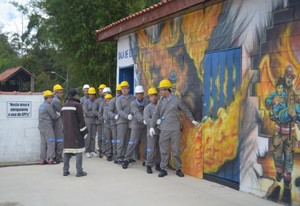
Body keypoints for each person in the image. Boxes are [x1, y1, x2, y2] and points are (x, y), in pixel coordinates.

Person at [150, 79, 199, 177]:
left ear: (166, 90)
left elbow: (185, 110)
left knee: (176, 150)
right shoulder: (160, 102)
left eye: (161, 90)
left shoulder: (176, 100)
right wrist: (151, 126)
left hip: (175, 130)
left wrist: (192, 120)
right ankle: (163, 169)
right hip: (164, 129)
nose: (160, 92)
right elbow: (156, 114)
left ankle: (178, 168)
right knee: (164, 150)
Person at [273, 66, 299, 189]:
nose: (289, 79)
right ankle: (279, 173)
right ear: (285, 77)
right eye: (288, 77)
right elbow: (271, 112)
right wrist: (274, 106)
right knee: (278, 156)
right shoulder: (278, 92)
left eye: (291, 77)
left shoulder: (295, 95)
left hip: (290, 133)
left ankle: (287, 178)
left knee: (289, 157)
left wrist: (295, 115)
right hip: (278, 132)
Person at [61, 88, 88, 177]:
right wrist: (85, 132)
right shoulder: (77, 105)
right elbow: (81, 120)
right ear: (75, 95)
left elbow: (62, 119)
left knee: (67, 151)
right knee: (79, 151)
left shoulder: (64, 105)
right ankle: (79, 171)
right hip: (76, 132)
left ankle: (65, 170)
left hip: (66, 132)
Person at [122, 86, 149, 169]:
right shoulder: (133, 103)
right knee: (132, 142)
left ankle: (146, 159)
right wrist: (143, 119)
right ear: (136, 95)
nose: (139, 95)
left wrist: (146, 121)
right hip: (136, 124)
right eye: (137, 94)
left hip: (144, 125)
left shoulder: (147, 102)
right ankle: (127, 159)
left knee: (146, 143)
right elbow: (136, 113)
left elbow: (148, 111)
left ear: (143, 94)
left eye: (141, 94)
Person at [115, 81, 135, 164]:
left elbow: (135, 108)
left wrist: (132, 115)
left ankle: (127, 157)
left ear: (128, 89)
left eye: (125, 88)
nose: (123, 90)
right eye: (122, 89)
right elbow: (119, 111)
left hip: (130, 122)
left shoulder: (133, 98)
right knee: (121, 140)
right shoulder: (119, 99)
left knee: (128, 140)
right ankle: (119, 157)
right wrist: (127, 116)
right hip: (122, 122)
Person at [38, 90, 60, 164]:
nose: (51, 99)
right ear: (47, 98)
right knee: (51, 142)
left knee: (43, 143)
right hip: (47, 127)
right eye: (50, 98)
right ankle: (50, 159)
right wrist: (59, 115)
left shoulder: (41, 105)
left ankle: (42, 159)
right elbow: (53, 116)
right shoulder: (48, 106)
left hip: (41, 126)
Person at [143, 87, 161, 174]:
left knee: (159, 149)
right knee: (150, 148)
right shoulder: (147, 108)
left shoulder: (160, 106)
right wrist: (154, 123)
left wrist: (161, 120)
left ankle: (158, 164)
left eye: (155, 95)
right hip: (151, 131)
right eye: (151, 96)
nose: (153, 97)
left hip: (160, 131)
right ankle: (149, 165)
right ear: (149, 97)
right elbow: (146, 119)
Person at [96, 87, 112, 158]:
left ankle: (111, 153)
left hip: (113, 124)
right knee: (105, 139)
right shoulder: (102, 104)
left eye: (108, 93)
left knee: (112, 139)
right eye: (105, 93)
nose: (106, 94)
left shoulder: (113, 102)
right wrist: (103, 119)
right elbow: (99, 114)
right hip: (105, 124)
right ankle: (104, 152)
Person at [108, 84, 122, 162]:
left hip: (121, 122)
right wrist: (114, 116)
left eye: (119, 92)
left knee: (121, 139)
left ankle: (121, 155)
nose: (118, 93)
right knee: (115, 139)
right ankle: (115, 155)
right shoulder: (113, 101)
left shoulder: (123, 100)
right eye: (117, 92)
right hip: (114, 122)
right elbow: (109, 111)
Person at [83, 87, 98, 158]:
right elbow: (85, 111)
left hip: (94, 120)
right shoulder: (86, 101)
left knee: (93, 135)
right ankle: (87, 150)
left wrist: (92, 113)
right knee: (88, 136)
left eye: (93, 94)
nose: (91, 96)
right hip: (87, 120)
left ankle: (92, 150)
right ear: (88, 94)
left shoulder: (96, 101)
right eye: (90, 94)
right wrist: (93, 113)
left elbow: (97, 111)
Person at [92, 83, 106, 157]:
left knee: (107, 137)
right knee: (101, 136)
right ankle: (100, 150)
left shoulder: (109, 99)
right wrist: (101, 116)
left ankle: (106, 150)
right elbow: (94, 111)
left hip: (108, 122)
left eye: (102, 91)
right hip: (100, 122)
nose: (101, 92)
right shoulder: (97, 101)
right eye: (100, 91)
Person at [51, 84, 64, 163]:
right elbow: (61, 111)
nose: (62, 94)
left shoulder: (52, 99)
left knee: (56, 139)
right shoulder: (56, 101)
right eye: (61, 92)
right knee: (60, 139)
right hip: (57, 122)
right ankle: (59, 156)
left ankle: (55, 155)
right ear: (57, 93)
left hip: (53, 122)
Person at [102, 94, 113, 161]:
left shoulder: (113, 107)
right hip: (107, 126)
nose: (108, 101)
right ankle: (108, 154)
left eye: (110, 100)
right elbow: (105, 117)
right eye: (107, 100)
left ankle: (114, 153)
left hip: (113, 126)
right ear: (105, 102)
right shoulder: (105, 108)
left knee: (114, 140)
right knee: (108, 140)